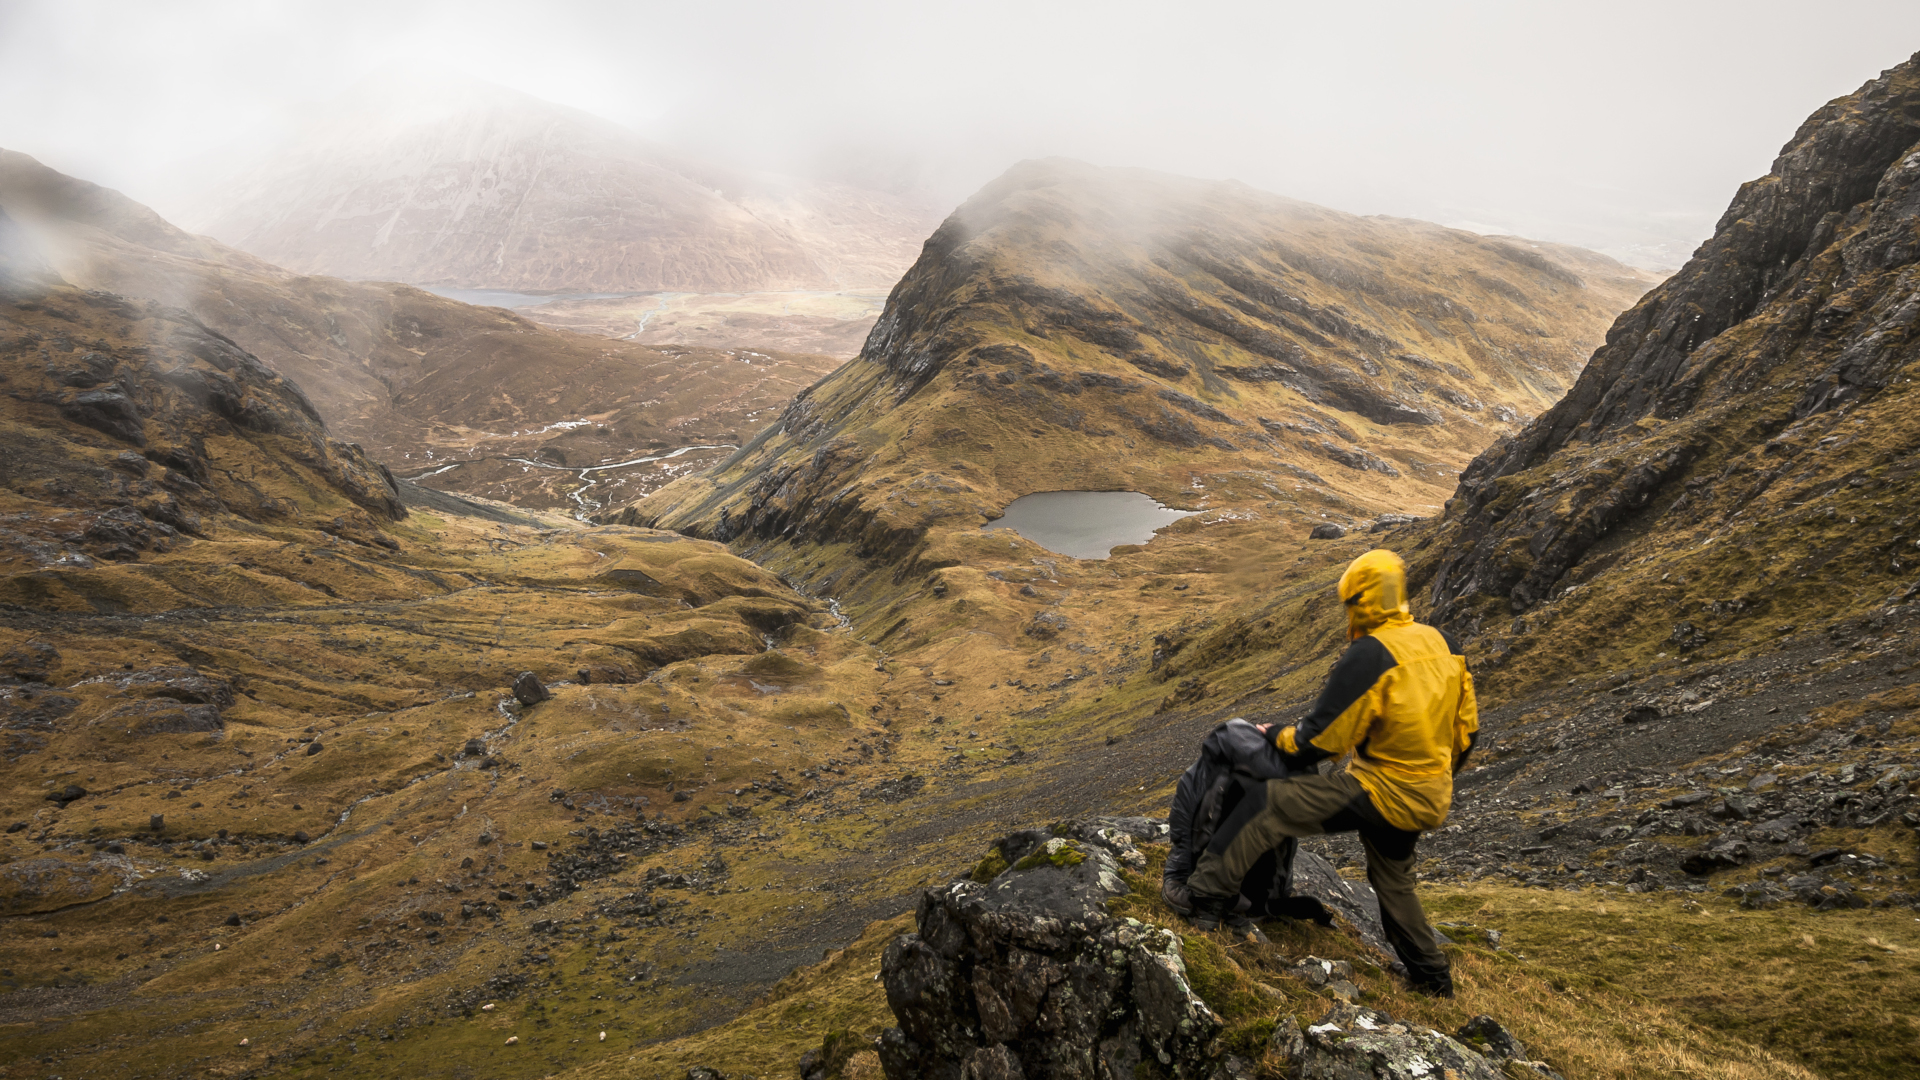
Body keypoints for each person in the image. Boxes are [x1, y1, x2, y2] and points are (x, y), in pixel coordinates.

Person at [1184, 548, 1478, 997]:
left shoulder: (1371, 655)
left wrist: (1276, 731)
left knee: (1269, 806)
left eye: (1351, 601)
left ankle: (1205, 902)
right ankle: (1433, 979)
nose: (1349, 611)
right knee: (1393, 878)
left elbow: (1320, 741)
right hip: (1430, 793)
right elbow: (1468, 731)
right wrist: (1437, 773)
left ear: (1363, 600)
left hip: (1383, 790)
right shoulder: (1445, 643)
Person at [1162, 717, 1300, 926]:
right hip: (1253, 893)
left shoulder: (1207, 776)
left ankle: (1214, 899)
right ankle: (1223, 900)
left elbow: (1184, 836)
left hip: (1233, 887)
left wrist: (1179, 879)